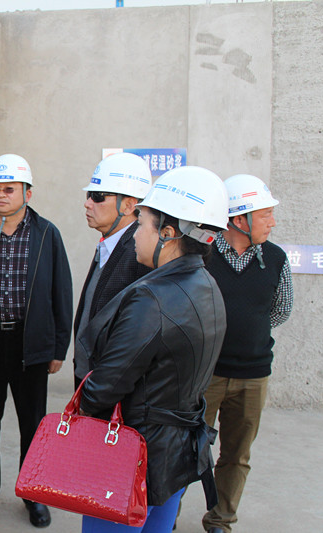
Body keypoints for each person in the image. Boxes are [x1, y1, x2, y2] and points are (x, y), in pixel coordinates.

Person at [77, 166, 229, 533]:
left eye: (142, 223)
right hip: (175, 456)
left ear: (168, 234)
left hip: (131, 459)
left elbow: (105, 387)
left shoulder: (152, 298)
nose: (134, 234)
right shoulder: (207, 285)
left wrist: (83, 406)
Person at [0, 154, 73, 528]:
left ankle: (34, 496)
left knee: (33, 426)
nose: (1, 195)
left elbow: (61, 292)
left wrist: (58, 347)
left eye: (9, 189)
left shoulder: (47, 235)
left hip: (30, 344)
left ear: (27, 193)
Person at [201, 174, 293, 533]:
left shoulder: (276, 258)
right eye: (265, 214)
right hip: (205, 374)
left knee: (236, 455)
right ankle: (167, 515)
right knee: (185, 448)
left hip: (253, 376)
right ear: (239, 219)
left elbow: (280, 310)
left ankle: (220, 519)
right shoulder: (204, 254)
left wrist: (248, 331)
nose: (272, 222)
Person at [74, 152, 153, 388]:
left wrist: (102, 390)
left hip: (108, 388)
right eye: (89, 195)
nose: (88, 203)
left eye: (98, 197)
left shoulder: (139, 255)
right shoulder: (109, 244)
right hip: (90, 378)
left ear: (129, 205)